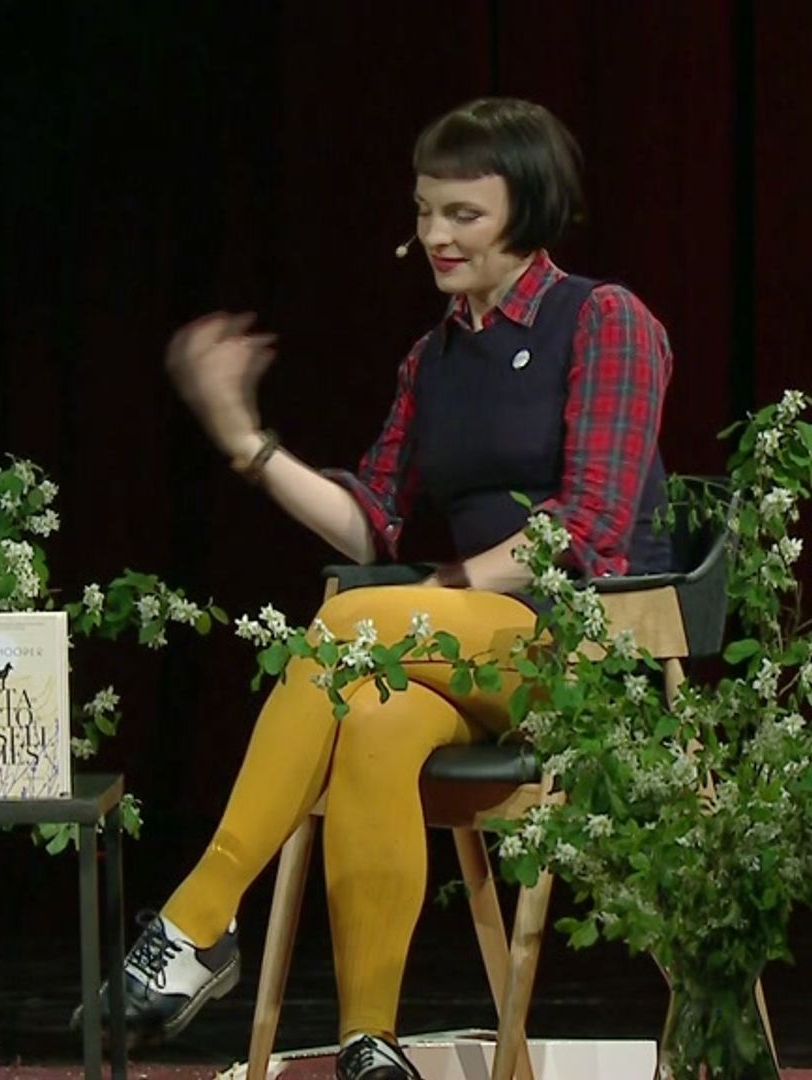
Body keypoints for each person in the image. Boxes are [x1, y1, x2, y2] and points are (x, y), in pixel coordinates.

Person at [97, 98, 674, 1080]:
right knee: (370, 712)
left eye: (464, 214)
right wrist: (245, 440)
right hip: (468, 652)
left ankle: (197, 920)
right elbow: (372, 522)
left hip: (584, 648)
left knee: (352, 623)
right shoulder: (432, 358)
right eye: (424, 210)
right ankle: (372, 1043)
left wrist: (456, 579)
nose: (435, 235)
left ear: (527, 210)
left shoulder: (604, 320)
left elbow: (589, 524)